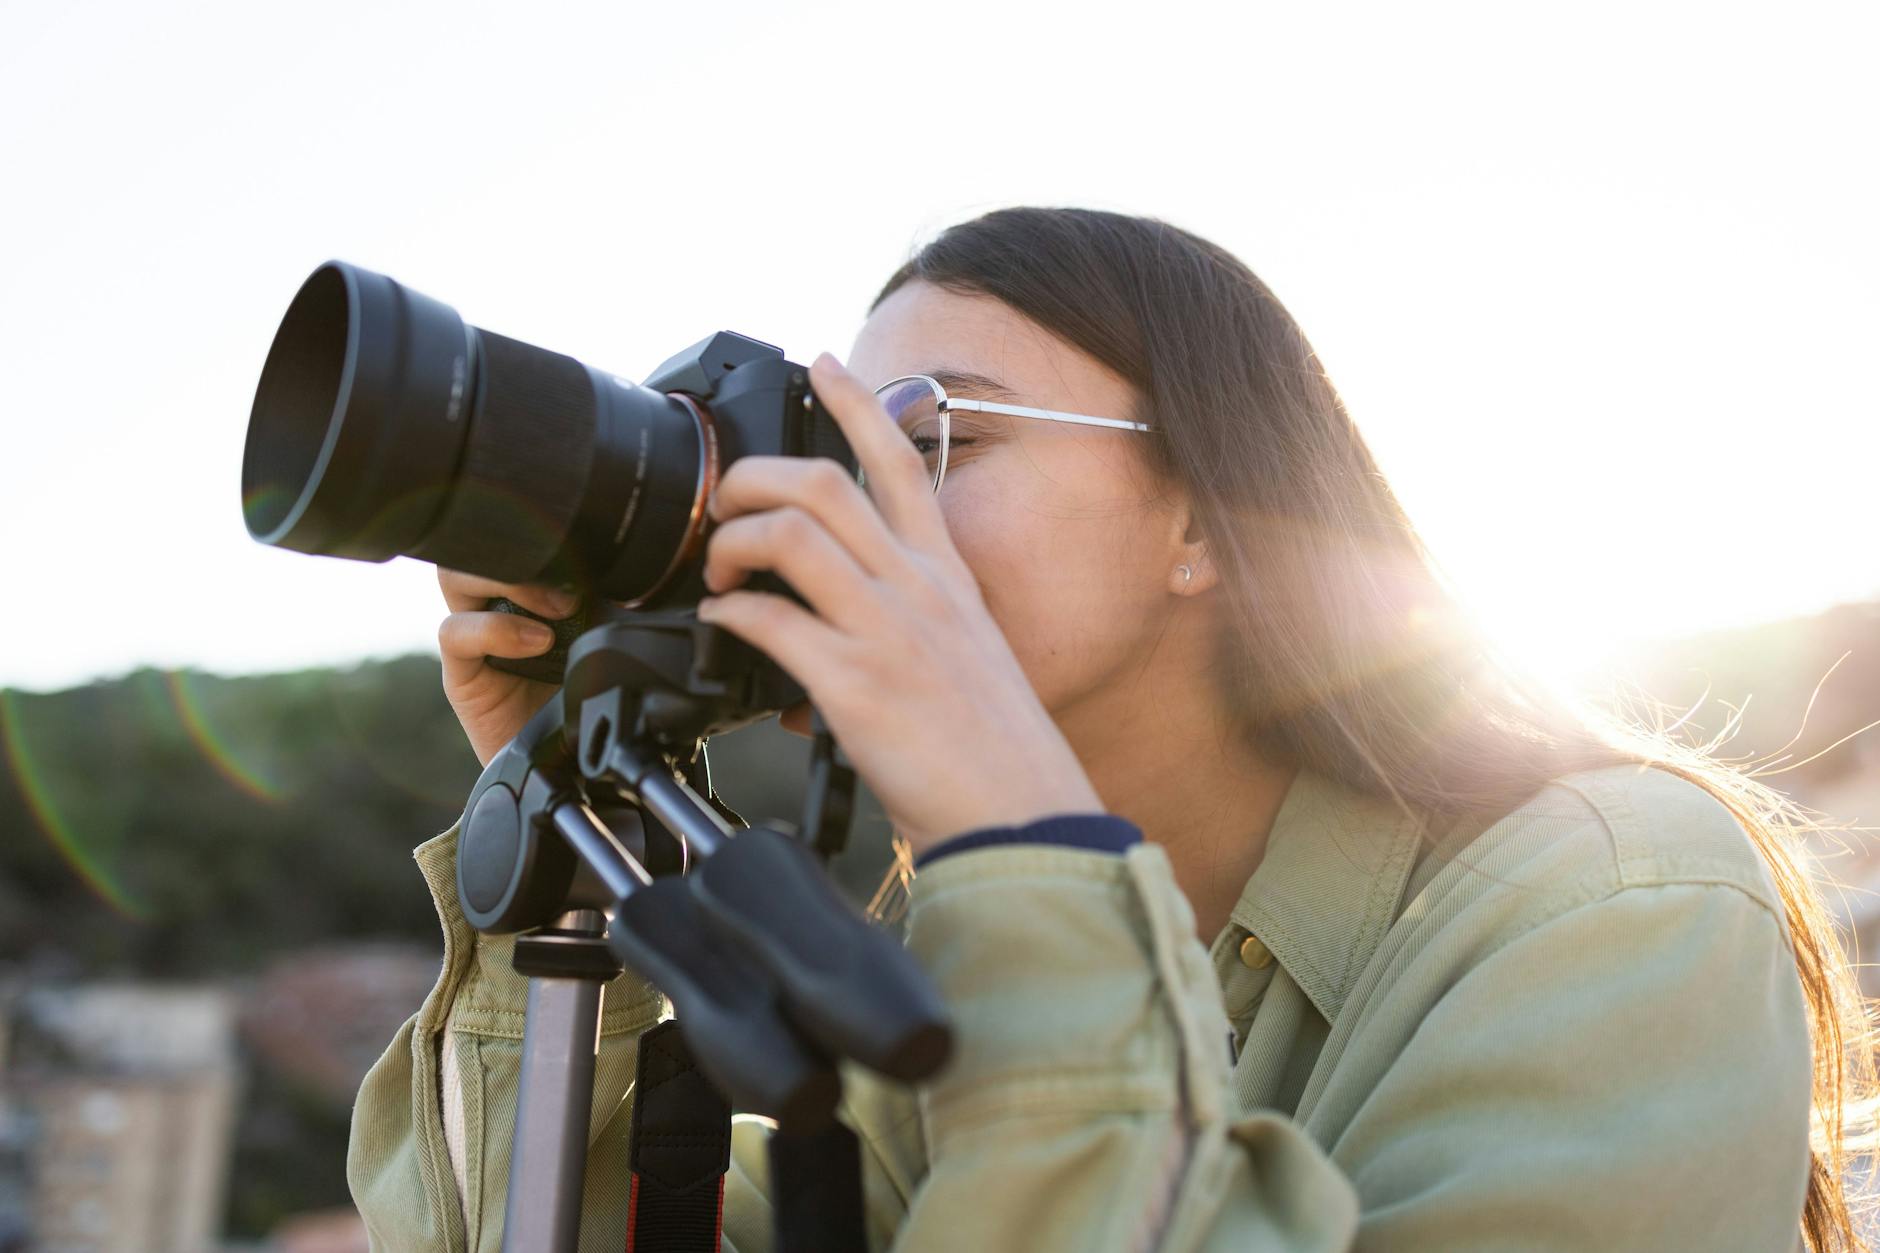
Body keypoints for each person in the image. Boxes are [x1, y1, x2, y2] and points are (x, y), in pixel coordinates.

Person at [346, 207, 1877, 1251]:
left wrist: (1020, 853)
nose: (854, 507)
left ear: (1206, 516)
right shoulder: (959, 972)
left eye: (935, 433)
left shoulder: (1620, 900)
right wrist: (551, 825)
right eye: (836, 446)